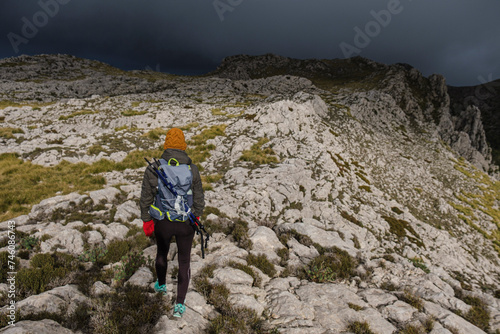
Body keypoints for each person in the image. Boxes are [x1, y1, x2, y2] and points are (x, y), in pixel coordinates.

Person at [140, 127, 205, 318]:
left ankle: (161, 285)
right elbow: (199, 198)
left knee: (162, 253)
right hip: (186, 223)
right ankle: (179, 305)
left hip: (163, 222)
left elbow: (145, 198)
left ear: (166, 145)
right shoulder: (192, 169)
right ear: (183, 145)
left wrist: (146, 220)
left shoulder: (154, 168)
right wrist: (196, 217)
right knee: (184, 261)